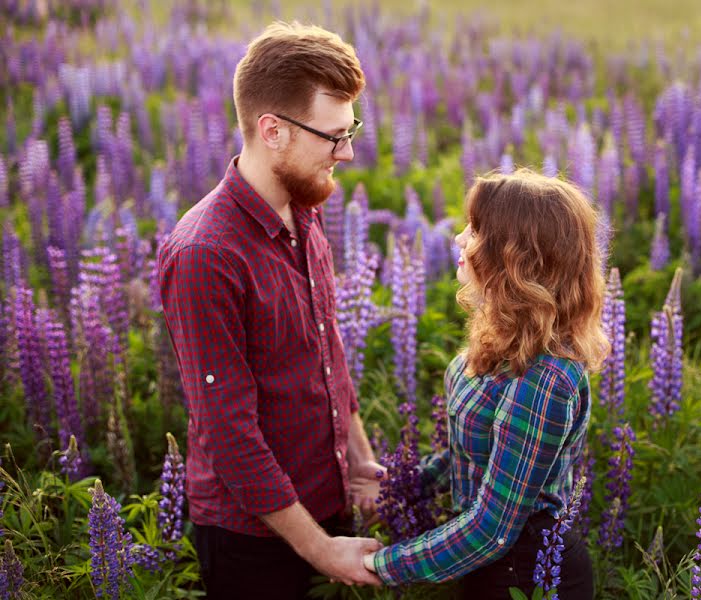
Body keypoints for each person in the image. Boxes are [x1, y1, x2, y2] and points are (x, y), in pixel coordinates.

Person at [157, 21, 384, 598]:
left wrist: (359, 462)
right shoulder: (206, 253)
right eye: (333, 135)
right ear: (273, 130)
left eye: (350, 129)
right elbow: (229, 433)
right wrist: (320, 550)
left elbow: (327, 352)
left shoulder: (303, 207)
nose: (349, 151)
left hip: (326, 505)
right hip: (253, 540)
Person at [363, 169, 609, 599]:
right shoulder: (501, 343)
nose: (458, 239)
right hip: (483, 567)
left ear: (518, 257)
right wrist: (396, 484)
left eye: (476, 231)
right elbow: (472, 454)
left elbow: (491, 529)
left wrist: (380, 564)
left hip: (531, 575)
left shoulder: (547, 378)